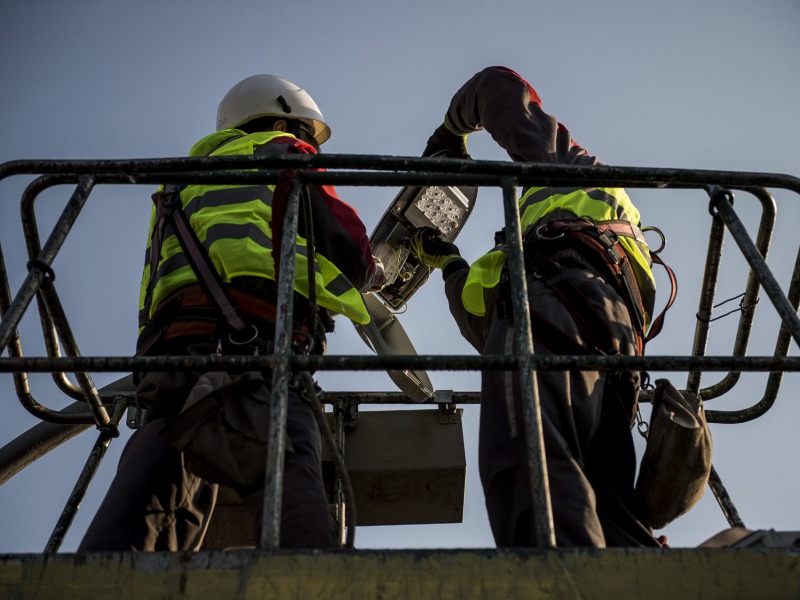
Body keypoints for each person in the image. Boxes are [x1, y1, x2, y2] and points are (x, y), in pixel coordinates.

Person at [78, 75, 377, 551]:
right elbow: (351, 250)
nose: (306, 144)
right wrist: (370, 273)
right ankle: (307, 583)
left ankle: (96, 580)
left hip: (168, 357)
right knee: (288, 463)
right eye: (303, 132)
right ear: (281, 121)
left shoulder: (184, 178)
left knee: (154, 494)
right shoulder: (282, 151)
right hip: (254, 344)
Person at [409, 66, 663, 547]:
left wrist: (448, 135)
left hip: (558, 302)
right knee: (603, 490)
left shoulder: (565, 166)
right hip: (616, 335)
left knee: (529, 458)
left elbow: (495, 87)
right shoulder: (556, 234)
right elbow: (485, 315)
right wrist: (449, 263)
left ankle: (553, 580)